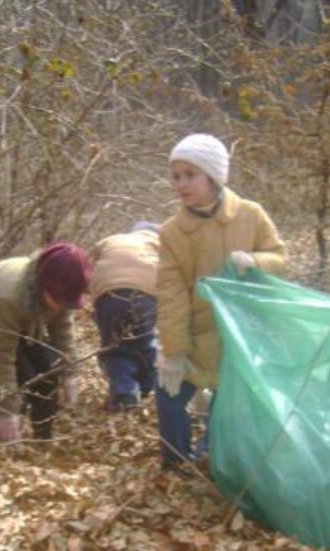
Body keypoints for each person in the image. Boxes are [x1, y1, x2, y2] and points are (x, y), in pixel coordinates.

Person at [156, 133, 287, 473]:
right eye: (176, 175)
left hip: (240, 337)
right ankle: (176, 463)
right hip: (196, 338)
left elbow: (281, 259)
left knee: (225, 411)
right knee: (168, 398)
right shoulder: (171, 232)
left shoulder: (250, 214)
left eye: (190, 174)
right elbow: (171, 294)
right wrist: (174, 351)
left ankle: (212, 459)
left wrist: (256, 261)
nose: (181, 184)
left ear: (213, 177)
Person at [0, 242, 91, 441]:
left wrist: (70, 373)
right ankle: (1, 425)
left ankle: (43, 438)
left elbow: (63, 332)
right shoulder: (9, 297)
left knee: (48, 371)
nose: (61, 306)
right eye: (59, 299)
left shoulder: (62, 290)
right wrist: (8, 414)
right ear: (44, 285)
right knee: (21, 375)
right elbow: (1, 357)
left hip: (24, 320)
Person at [89, 221, 161, 411]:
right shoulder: (160, 243)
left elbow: (93, 260)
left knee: (115, 346)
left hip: (107, 294)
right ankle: (149, 388)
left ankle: (125, 393)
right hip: (146, 294)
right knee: (147, 343)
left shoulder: (111, 240)